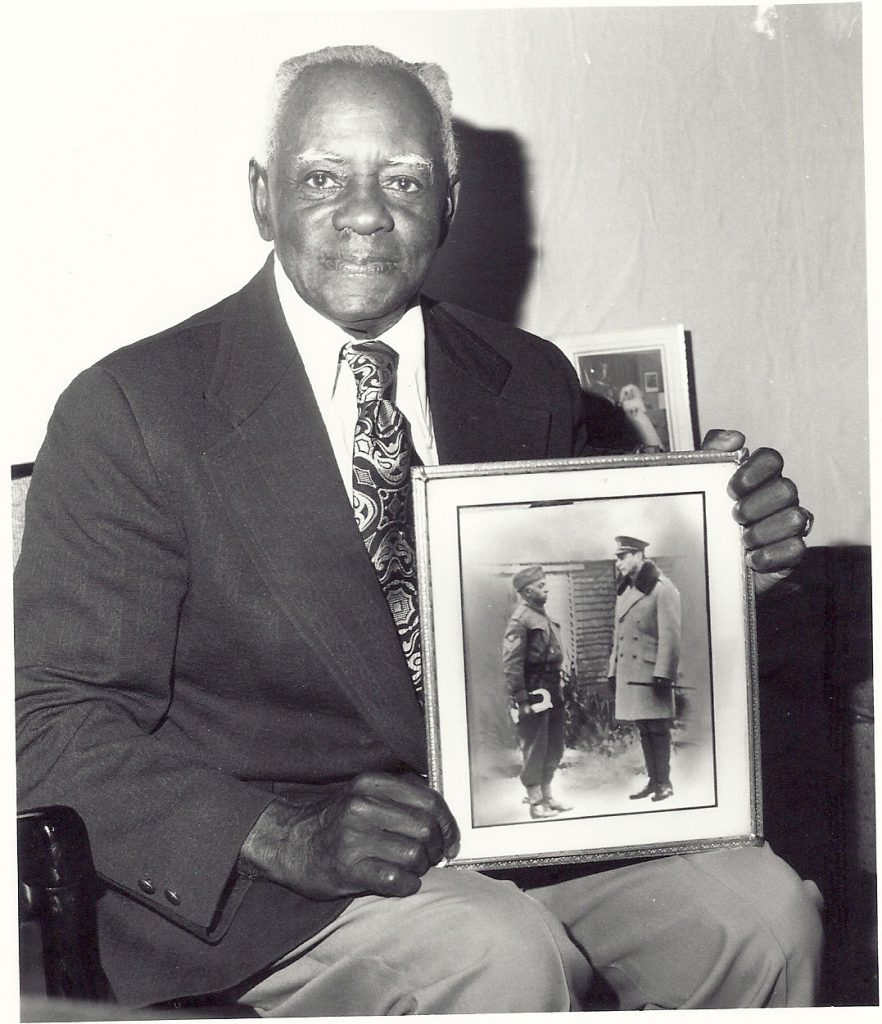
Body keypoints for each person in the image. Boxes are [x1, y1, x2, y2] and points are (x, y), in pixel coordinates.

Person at [15, 44, 822, 1014]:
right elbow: (52, 725)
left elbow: (573, 642)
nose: (365, 212)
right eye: (322, 178)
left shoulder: (525, 377)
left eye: (402, 179)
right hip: (272, 877)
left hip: (521, 825)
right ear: (262, 197)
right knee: (496, 953)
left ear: (447, 198)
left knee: (765, 919)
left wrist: (719, 572)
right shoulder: (133, 409)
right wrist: (280, 833)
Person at [608, 535, 681, 801]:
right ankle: (653, 780)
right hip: (631, 673)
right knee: (644, 727)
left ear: (639, 556)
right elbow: (618, 636)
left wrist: (664, 672)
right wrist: (612, 670)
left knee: (658, 727)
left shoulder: (662, 589)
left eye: (622, 556)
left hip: (652, 673)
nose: (618, 563)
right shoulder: (625, 591)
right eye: (617, 557)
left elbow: (670, 636)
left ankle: (665, 783)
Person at [501, 565, 572, 819]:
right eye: (541, 586)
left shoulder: (540, 615)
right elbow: (512, 663)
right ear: (527, 591)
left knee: (554, 744)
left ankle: (548, 795)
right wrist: (521, 698)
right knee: (535, 745)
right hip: (534, 689)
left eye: (545, 584)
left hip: (552, 688)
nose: (547, 589)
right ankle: (535, 801)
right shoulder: (520, 620)